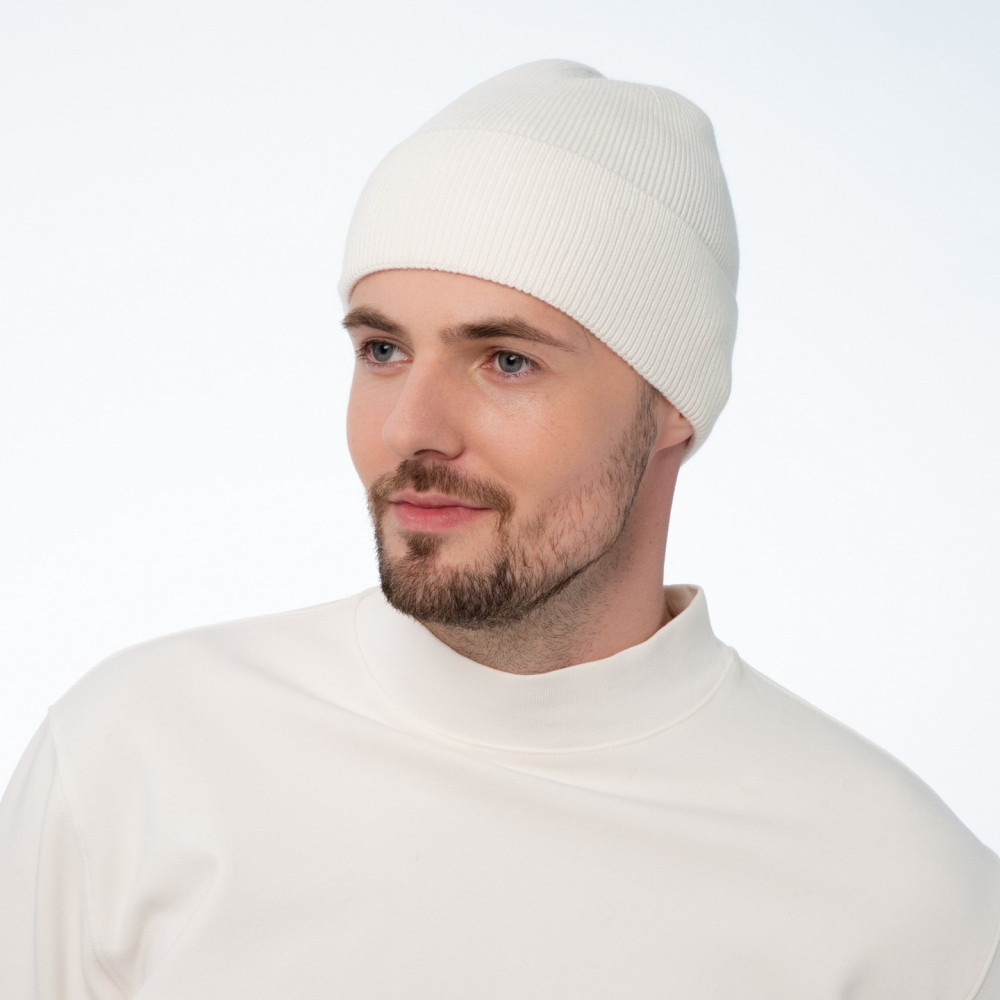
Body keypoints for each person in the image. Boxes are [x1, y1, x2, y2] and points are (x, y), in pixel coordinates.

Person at [1, 59, 998, 999]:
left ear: (671, 405)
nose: (410, 430)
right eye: (382, 349)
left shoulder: (906, 906)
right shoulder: (134, 759)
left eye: (506, 361)